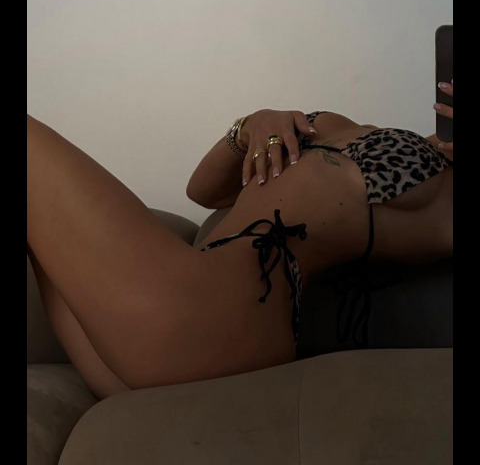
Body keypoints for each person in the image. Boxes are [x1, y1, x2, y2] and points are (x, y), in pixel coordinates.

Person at [26, 81, 453, 400]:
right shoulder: (336, 125)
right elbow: (203, 191)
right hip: (167, 326)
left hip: (206, 321)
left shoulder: (444, 196)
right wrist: (249, 127)